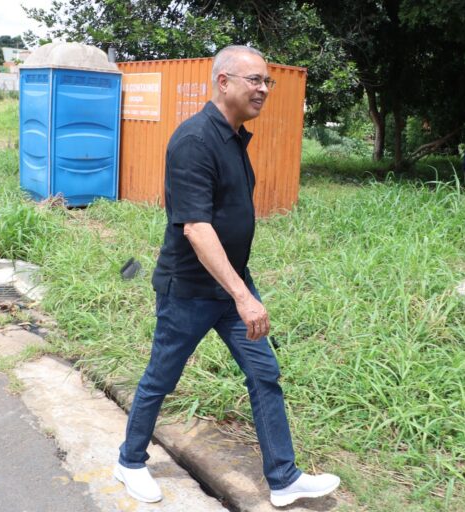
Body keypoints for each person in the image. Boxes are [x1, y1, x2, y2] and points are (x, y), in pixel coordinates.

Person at [114, 45, 340, 508]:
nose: (262, 89)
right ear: (223, 82)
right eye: (254, 80)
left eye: (267, 82)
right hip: (191, 290)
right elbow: (196, 227)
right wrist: (242, 295)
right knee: (162, 377)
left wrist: (238, 288)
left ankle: (282, 478)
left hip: (232, 285)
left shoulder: (235, 137)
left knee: (265, 374)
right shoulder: (195, 140)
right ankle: (130, 461)